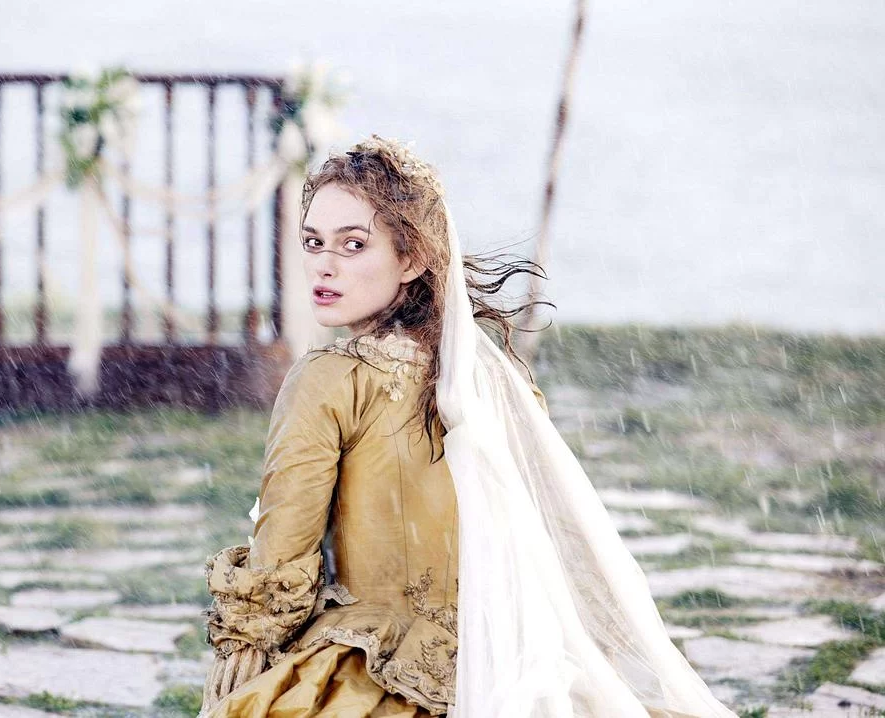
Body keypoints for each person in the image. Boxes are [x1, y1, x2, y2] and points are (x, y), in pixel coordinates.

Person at [198, 135, 737, 718]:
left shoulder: (327, 379)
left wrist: (244, 664)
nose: (324, 265)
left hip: (375, 673)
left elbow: (280, 565)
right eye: (313, 242)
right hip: (504, 664)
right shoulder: (489, 377)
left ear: (412, 259)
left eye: (353, 244)